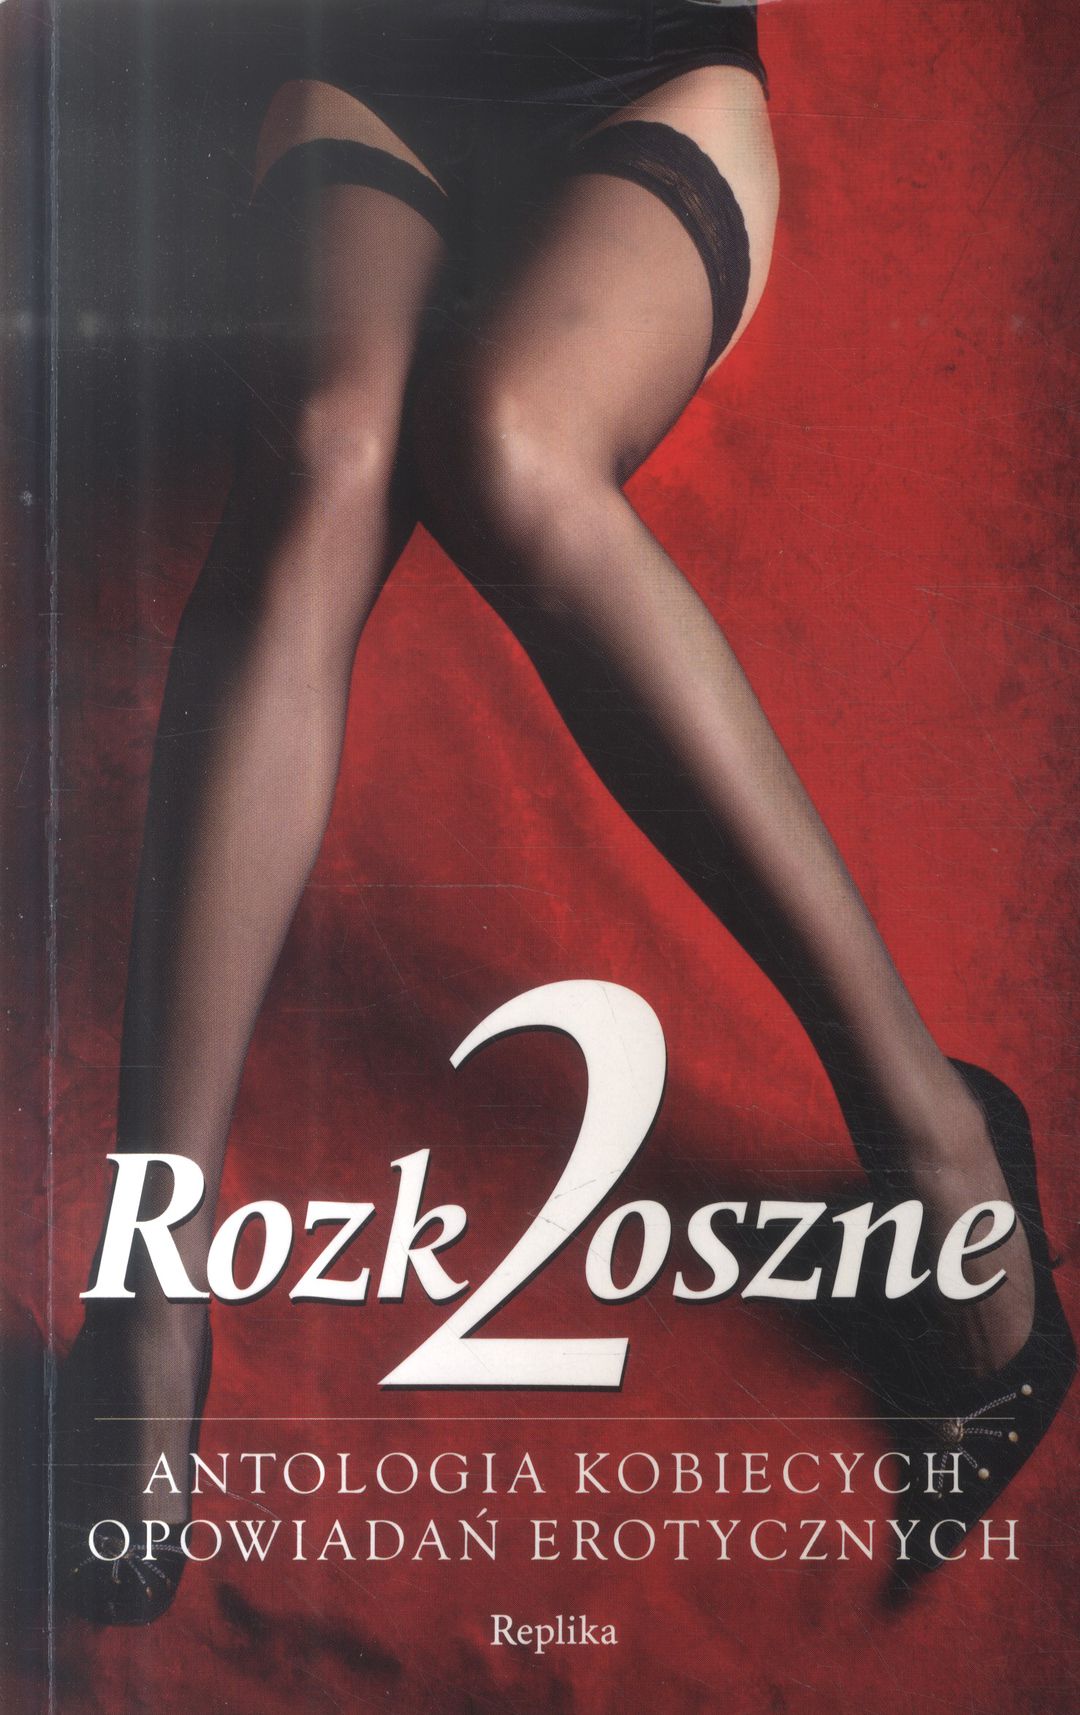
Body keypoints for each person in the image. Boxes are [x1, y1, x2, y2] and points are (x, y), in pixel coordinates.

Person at [54, 0, 1073, 1624]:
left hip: (642, 85)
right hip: (371, 78)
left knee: (508, 444)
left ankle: (944, 1148)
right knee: (325, 450)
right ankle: (152, 1298)